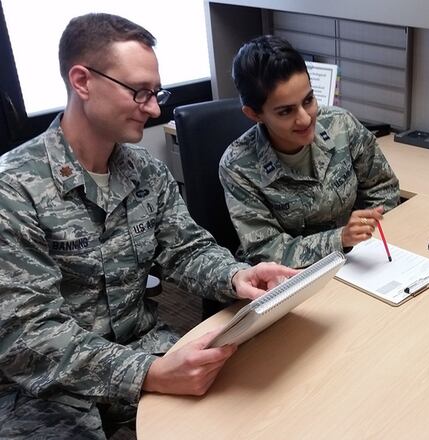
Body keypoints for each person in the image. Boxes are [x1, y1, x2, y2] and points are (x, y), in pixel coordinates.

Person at [0, 13, 297, 438]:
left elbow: (187, 249)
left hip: (144, 348)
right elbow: (29, 337)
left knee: (260, 408)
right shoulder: (12, 190)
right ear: (82, 81)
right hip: (45, 392)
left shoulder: (146, 173)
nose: (155, 109)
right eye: (139, 93)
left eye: (155, 93)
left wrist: (237, 275)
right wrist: (150, 373)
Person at [219, 35, 400, 268]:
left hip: (358, 261)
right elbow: (266, 250)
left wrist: (368, 229)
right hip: (291, 278)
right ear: (254, 114)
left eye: (308, 100)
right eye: (286, 111)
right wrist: (339, 239)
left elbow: (383, 188)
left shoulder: (340, 125)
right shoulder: (238, 166)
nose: (305, 119)